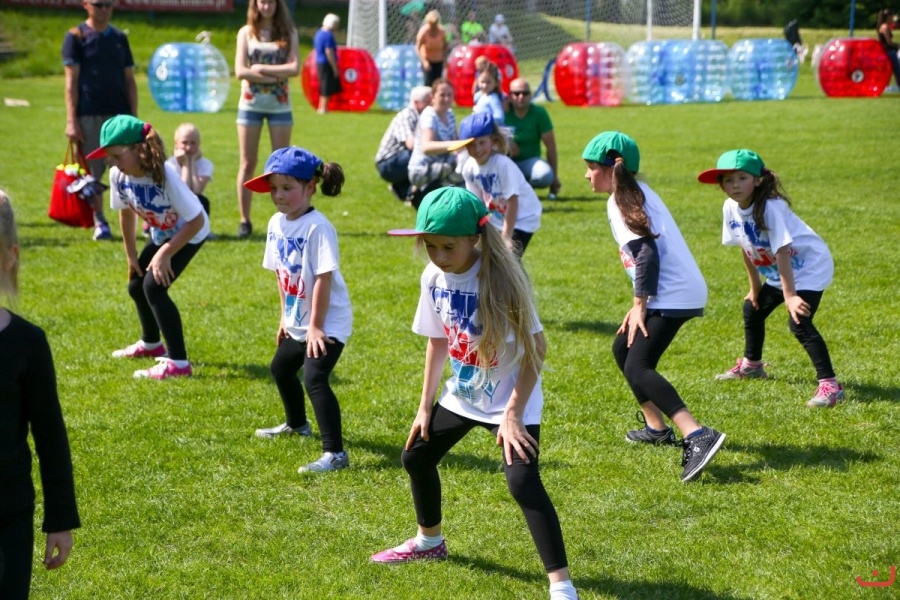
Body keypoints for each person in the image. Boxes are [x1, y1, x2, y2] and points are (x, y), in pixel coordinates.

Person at [373, 187, 579, 600]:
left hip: (511, 400)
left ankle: (562, 586)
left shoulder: (501, 280)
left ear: (474, 237)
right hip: (464, 393)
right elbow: (437, 341)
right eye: (430, 245)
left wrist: (513, 414)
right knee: (416, 455)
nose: (438, 256)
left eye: (448, 247)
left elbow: (536, 350)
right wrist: (424, 408)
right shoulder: (433, 277)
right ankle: (430, 542)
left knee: (522, 483)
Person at [583, 132, 725, 483]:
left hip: (673, 293)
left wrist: (639, 304)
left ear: (610, 170)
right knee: (623, 348)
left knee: (639, 365)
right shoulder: (633, 193)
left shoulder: (620, 200)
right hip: (671, 291)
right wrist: (640, 303)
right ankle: (656, 428)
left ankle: (696, 434)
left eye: (591, 168)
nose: (586, 175)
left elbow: (646, 254)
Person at [698, 149, 845, 408]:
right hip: (782, 270)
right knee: (752, 308)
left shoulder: (771, 208)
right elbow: (745, 246)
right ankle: (752, 366)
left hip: (808, 267)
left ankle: (831, 386)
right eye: (728, 180)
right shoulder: (730, 207)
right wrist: (755, 287)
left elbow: (782, 251)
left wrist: (791, 296)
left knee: (799, 322)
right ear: (721, 185)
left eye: (742, 178)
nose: (735, 185)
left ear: (757, 180)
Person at [244, 147, 353, 474]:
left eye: (287, 188)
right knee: (280, 368)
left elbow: (323, 278)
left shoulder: (317, 227)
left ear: (310, 187)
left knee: (315, 379)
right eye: (274, 188)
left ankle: (335, 454)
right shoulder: (276, 223)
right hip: (298, 319)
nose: (278, 195)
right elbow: (281, 275)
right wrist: (285, 317)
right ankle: (297, 425)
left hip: (327, 322)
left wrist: (316, 327)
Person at [0, 190, 81, 600]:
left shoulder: (27, 343)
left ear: (9, 256)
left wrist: (60, 519)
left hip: (8, 510)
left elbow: (50, 435)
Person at [87, 115, 209, 380]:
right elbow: (126, 213)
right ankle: (152, 344)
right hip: (162, 232)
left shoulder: (164, 177)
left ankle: (178, 363)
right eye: (109, 157)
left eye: (117, 156)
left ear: (139, 149)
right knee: (136, 284)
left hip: (191, 232)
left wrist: (165, 253)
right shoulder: (119, 175)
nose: (112, 162)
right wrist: (131, 255)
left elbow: (197, 220)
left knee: (154, 287)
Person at [62, 0, 138, 241]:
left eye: (108, 5)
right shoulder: (76, 37)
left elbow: (129, 79)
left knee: (130, 168)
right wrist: (72, 120)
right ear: (86, 5)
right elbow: (71, 83)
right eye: (98, 4)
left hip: (119, 115)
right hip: (89, 113)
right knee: (93, 174)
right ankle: (100, 221)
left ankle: (141, 217)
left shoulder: (119, 37)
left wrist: (133, 117)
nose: (104, 9)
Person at [234, 0, 300, 239]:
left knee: (281, 165)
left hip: (279, 106)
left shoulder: (288, 31)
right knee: (247, 163)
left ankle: (285, 218)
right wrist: (273, 77)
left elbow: (294, 68)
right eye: (262, 1)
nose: (267, 6)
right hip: (250, 104)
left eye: (271, 1)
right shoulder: (246, 32)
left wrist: (262, 68)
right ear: (255, 4)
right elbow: (240, 71)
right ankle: (245, 220)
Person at [451, 112, 541, 256]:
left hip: (523, 217)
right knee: (489, 259)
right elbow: (477, 204)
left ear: (493, 140)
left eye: (482, 142)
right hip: (497, 217)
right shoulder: (468, 168)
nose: (477, 149)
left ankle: (514, 270)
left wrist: (507, 238)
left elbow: (513, 201)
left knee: (508, 259)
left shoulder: (502, 164)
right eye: (471, 145)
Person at [407, 79, 460, 209]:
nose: (446, 99)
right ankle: (422, 196)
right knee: (460, 171)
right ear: (433, 97)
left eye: (450, 95)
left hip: (441, 164)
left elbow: (457, 143)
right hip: (421, 169)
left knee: (464, 165)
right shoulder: (429, 116)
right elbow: (427, 147)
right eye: (442, 95)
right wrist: (455, 145)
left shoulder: (450, 114)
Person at [375, 86, 433, 202]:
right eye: (428, 102)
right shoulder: (406, 115)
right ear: (416, 103)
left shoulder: (425, 116)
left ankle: (404, 189)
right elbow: (411, 144)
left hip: (400, 159)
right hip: (387, 163)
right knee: (423, 155)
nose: (431, 105)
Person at [505, 78, 561, 199]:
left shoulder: (539, 113)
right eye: (516, 93)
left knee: (546, 175)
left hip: (530, 161)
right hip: (507, 161)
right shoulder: (501, 113)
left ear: (530, 95)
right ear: (509, 96)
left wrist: (555, 176)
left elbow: (550, 146)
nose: (521, 96)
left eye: (525, 93)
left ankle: (523, 189)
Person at [166, 123, 214, 239]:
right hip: (172, 206)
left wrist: (190, 162)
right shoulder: (169, 165)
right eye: (184, 143)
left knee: (202, 200)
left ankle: (200, 230)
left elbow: (197, 191)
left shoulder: (205, 164)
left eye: (193, 143)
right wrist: (185, 164)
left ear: (199, 144)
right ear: (176, 144)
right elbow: (182, 193)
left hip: (192, 204)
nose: (188, 147)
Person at [314, 14, 342, 115]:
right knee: (326, 85)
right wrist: (334, 67)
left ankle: (321, 106)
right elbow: (329, 51)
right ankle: (323, 108)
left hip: (319, 62)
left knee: (323, 84)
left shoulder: (318, 33)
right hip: (326, 63)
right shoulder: (328, 35)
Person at [416, 10, 447, 87]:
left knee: (438, 84)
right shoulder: (423, 32)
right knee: (428, 83)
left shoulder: (442, 31)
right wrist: (424, 62)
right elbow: (418, 48)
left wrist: (445, 60)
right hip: (428, 61)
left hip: (439, 61)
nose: (433, 26)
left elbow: (445, 46)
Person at [877, 8, 900, 90]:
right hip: (889, 52)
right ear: (888, 17)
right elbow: (889, 42)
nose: (892, 18)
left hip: (885, 51)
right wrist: (898, 45)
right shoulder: (885, 27)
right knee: (897, 69)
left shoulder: (882, 26)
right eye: (892, 16)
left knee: (889, 70)